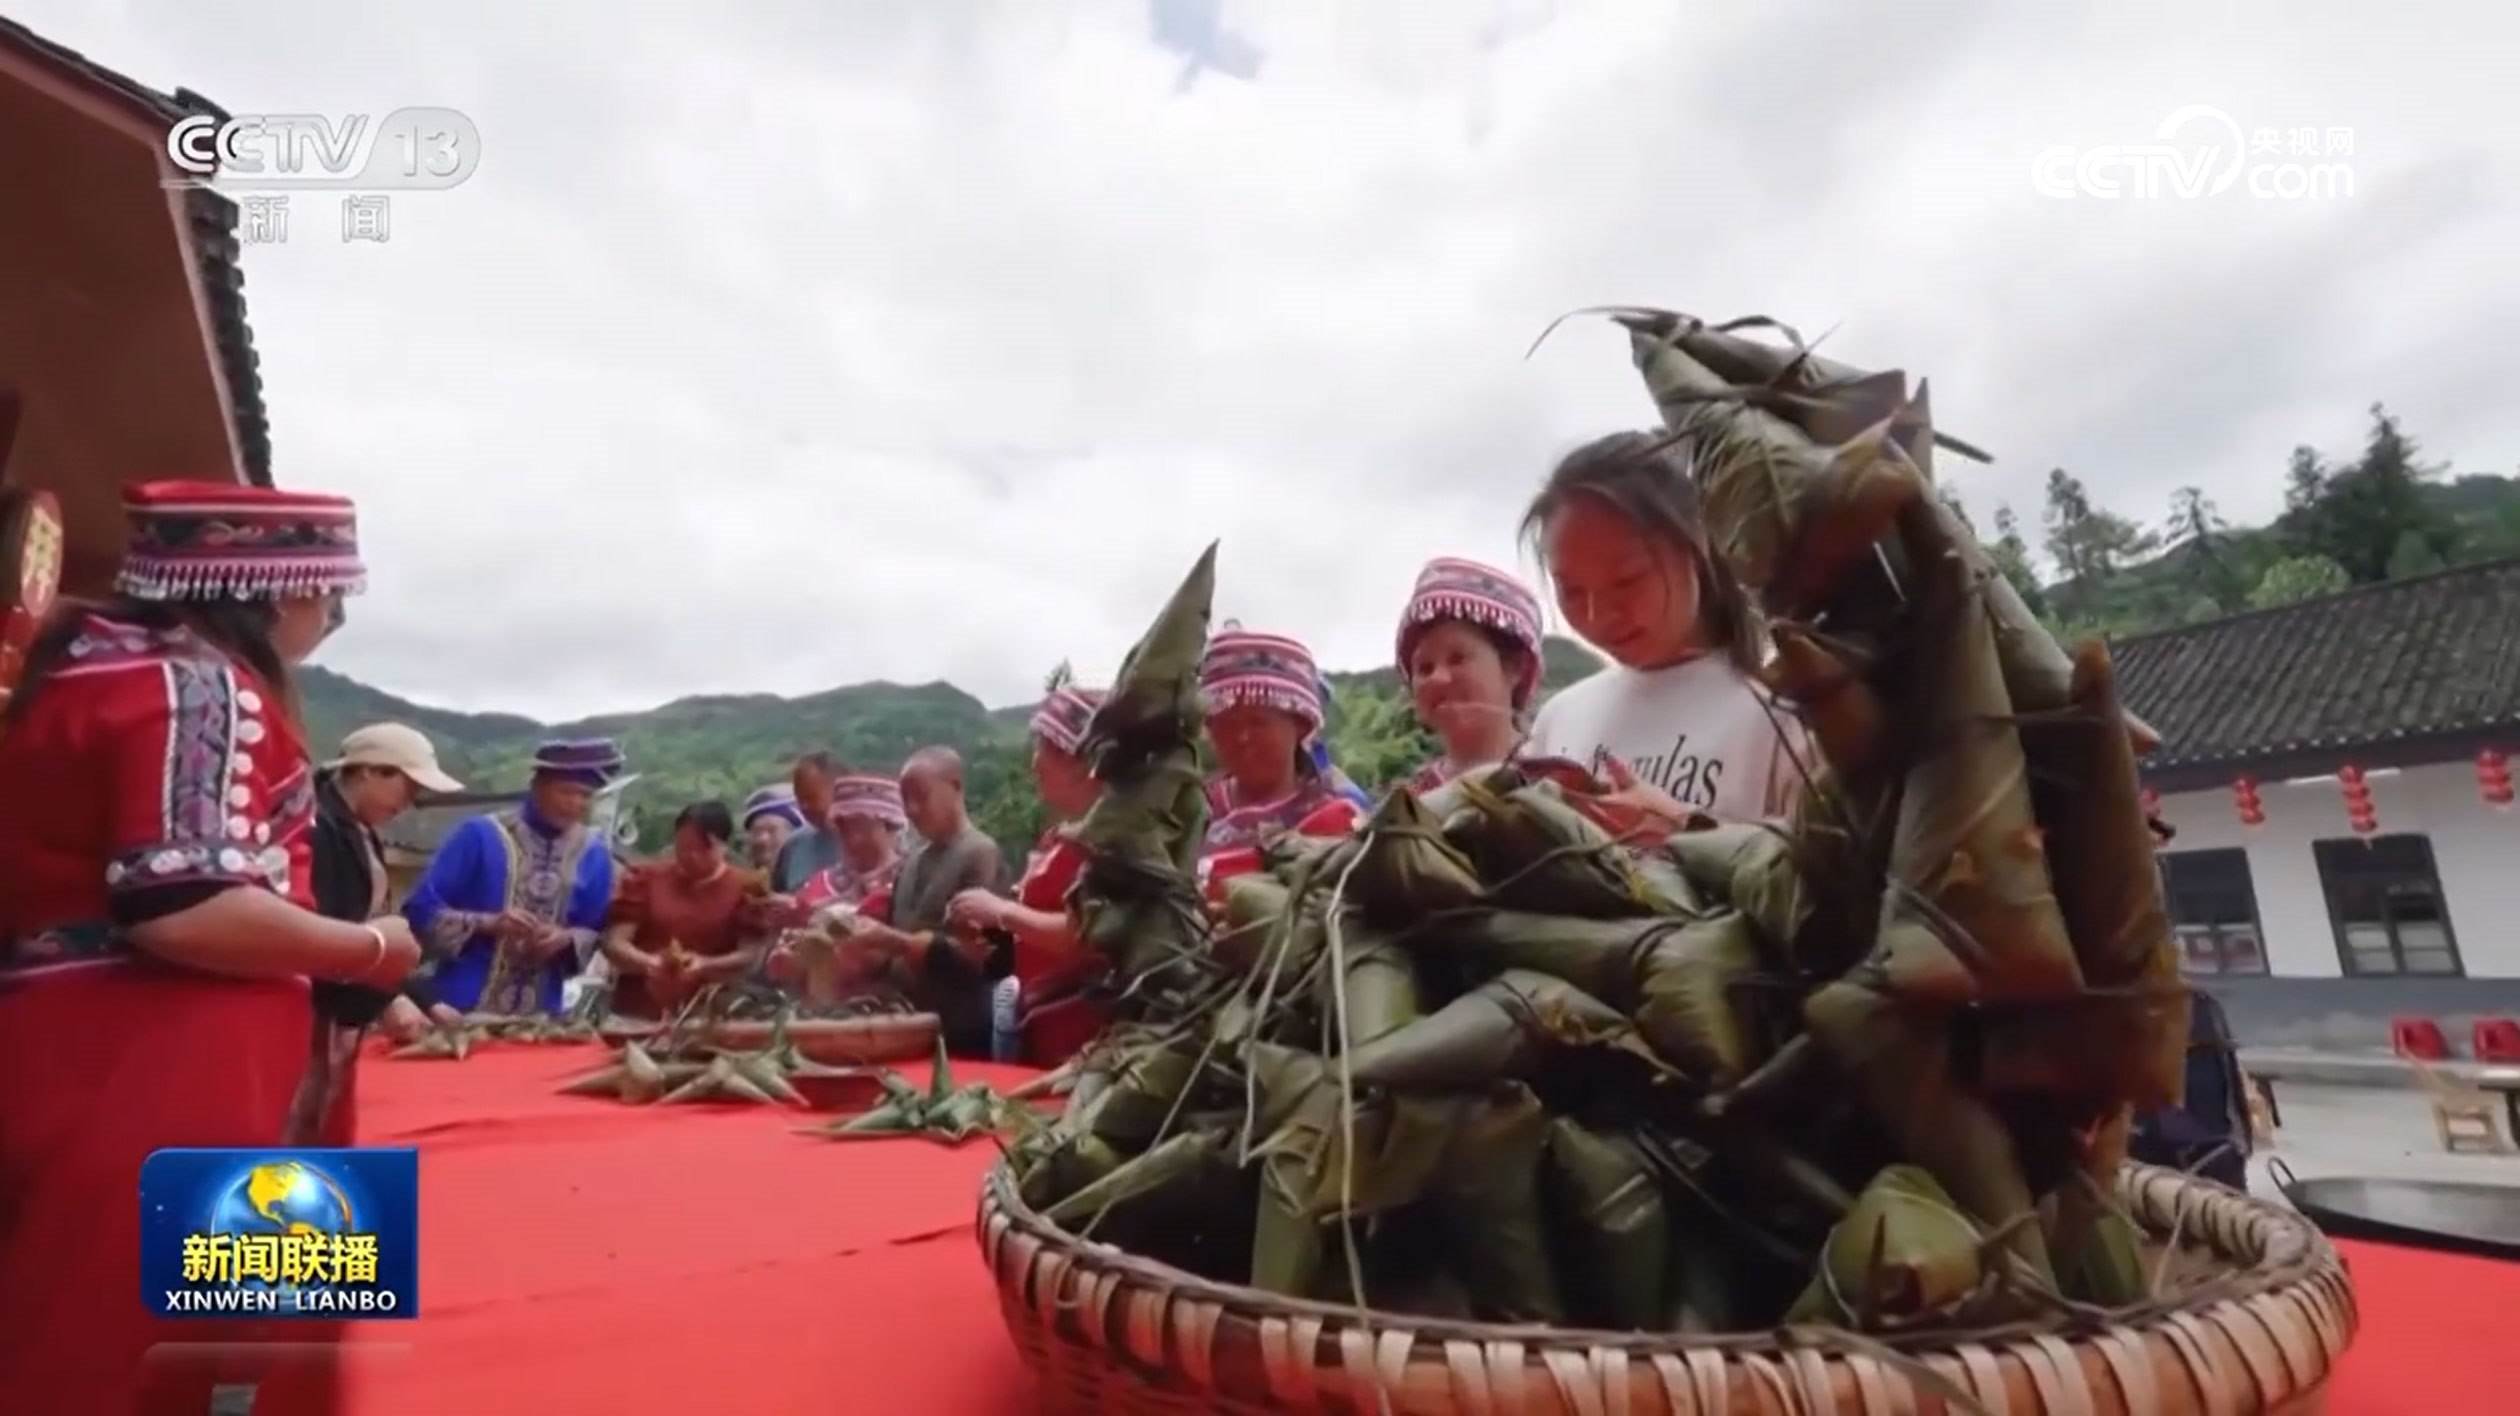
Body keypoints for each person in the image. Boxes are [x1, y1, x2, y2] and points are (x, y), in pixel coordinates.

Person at [0, 479, 421, 1414]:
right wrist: (370, 948)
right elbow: (182, 904)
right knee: (106, 1356)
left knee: (106, 1341)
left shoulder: (98, 670)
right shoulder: (198, 686)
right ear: (270, 593)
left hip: (108, 1053)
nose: (329, 620)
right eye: (329, 597)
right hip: (150, 1068)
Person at [1518, 431, 1807, 842]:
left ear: (1696, 546)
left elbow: (1829, 867)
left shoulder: (1780, 714)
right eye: (1572, 591)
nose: (1598, 617)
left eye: (1627, 580)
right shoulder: (1558, 720)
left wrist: (1681, 827)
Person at [290, 722, 467, 1146]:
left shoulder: (358, 831)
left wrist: (425, 999)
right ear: (369, 771)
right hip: (307, 1008)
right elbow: (325, 931)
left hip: (338, 1006)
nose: (410, 802)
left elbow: (370, 924)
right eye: (407, 787)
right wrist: (386, 1000)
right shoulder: (316, 829)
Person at [946, 681, 1108, 1064]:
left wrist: (1002, 912)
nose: (1035, 764)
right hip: (1042, 1029)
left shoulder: (1116, 841)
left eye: (1047, 749)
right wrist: (989, 931)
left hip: (1088, 1039)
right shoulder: (1061, 837)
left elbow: (1094, 935)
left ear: (1084, 763)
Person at [402, 738, 622, 1015]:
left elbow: (596, 930)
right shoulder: (478, 835)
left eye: (586, 796)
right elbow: (418, 910)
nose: (575, 803)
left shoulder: (594, 852)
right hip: (459, 1008)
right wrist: (488, 923)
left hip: (541, 1016)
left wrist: (565, 939)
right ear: (536, 787)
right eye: (565, 791)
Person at [847, 747, 1008, 1056]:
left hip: (961, 1029)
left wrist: (893, 941)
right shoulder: (911, 863)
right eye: (905, 800)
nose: (912, 809)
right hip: (906, 1024)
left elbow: (981, 958)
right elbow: (893, 946)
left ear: (955, 787)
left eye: (921, 797)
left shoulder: (980, 853)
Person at [1198, 626, 1371, 855]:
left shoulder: (1342, 814)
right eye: (1227, 724)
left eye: (1258, 722)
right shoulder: (1193, 814)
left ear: (1301, 726)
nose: (1242, 737)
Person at [600, 801, 776, 1019]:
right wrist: (650, 962)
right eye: (683, 848)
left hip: (710, 1014)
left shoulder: (746, 887)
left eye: (703, 849)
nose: (691, 856)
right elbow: (615, 943)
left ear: (723, 845)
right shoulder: (645, 878)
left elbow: (750, 956)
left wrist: (704, 964)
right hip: (638, 1008)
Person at [1394, 556, 1547, 792]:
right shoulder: (1412, 799)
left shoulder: (1560, 780)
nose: (1438, 678)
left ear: (1515, 667)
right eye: (1424, 668)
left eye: (1457, 659)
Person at [771, 750, 844, 891]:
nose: (804, 806)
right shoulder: (794, 845)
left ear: (838, 791)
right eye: (800, 799)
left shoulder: (868, 844)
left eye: (811, 798)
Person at [741, 784, 806, 872]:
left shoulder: (817, 877)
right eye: (756, 832)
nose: (762, 839)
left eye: (772, 830)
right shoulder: (741, 879)